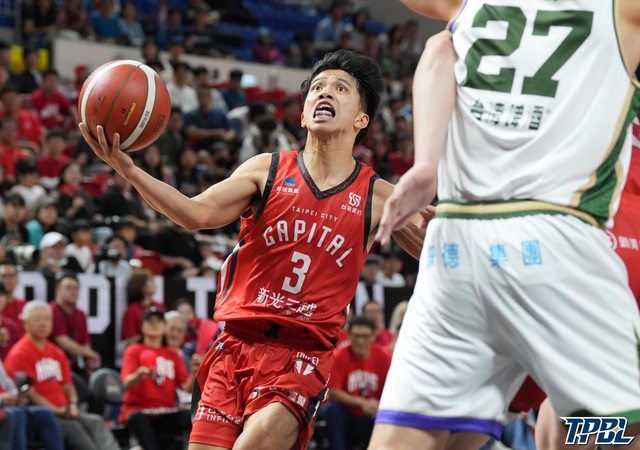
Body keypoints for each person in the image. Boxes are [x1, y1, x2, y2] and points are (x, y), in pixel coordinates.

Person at [79, 48, 428, 450]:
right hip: (234, 346)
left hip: (301, 355)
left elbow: (433, 254)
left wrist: (445, 227)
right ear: (303, 114)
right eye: (317, 87)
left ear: (362, 119)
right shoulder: (267, 169)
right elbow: (195, 213)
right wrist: (129, 170)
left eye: (340, 88)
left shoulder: (379, 196)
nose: (324, 93)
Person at [369, 1, 640, 448]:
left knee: (413, 432)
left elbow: (438, 49)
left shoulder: (470, 8)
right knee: (612, 425)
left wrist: (426, 163)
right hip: (563, 241)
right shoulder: (618, 12)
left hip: (459, 241)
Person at [4, 301, 120, 450]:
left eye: (47, 319)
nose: (43, 323)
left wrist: (73, 405)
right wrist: (56, 410)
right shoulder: (19, 354)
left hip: (65, 409)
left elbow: (67, 384)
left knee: (95, 421)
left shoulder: (56, 352)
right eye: (38, 319)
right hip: (41, 412)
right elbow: (29, 392)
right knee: (75, 429)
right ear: (25, 323)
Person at [119, 307, 196, 450]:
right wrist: (140, 373)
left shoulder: (173, 354)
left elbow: (186, 387)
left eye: (159, 321)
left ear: (165, 326)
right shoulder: (133, 350)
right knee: (138, 418)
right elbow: (126, 383)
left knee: (191, 416)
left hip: (165, 413)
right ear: (142, 326)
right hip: (138, 412)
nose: (154, 324)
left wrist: (194, 372)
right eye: (150, 321)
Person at [320, 316, 391, 450]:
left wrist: (379, 406)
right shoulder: (338, 356)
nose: (360, 341)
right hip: (347, 414)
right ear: (349, 336)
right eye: (356, 336)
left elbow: (392, 389)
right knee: (332, 409)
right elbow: (333, 392)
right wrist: (363, 403)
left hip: (374, 413)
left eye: (365, 336)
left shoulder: (384, 357)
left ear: (373, 336)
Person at [0, 359, 65, 450]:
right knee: (16, 414)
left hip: (9, 404)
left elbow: (8, 385)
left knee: (44, 414)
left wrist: (16, 395)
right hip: (5, 409)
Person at [49, 273, 101, 377]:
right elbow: (62, 340)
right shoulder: (52, 310)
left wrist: (89, 363)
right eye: (68, 288)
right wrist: (88, 353)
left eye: (76, 288)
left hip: (74, 365)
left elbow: (85, 343)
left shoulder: (80, 314)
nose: (73, 292)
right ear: (58, 290)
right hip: (53, 365)